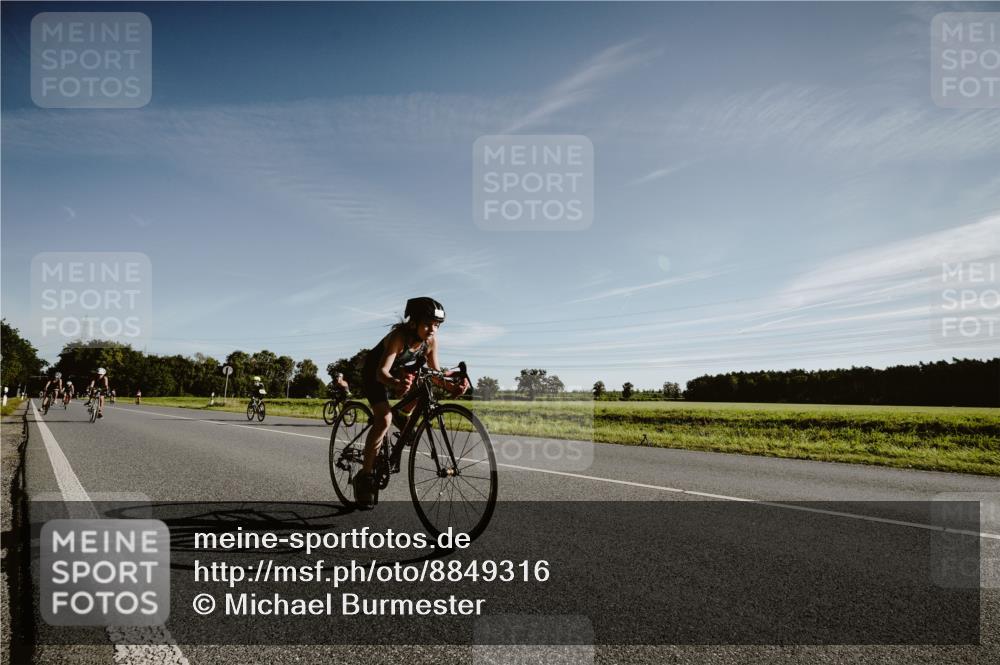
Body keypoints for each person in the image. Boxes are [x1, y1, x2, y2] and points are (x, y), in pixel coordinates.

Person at [353, 297, 469, 507]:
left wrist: (453, 386)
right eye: (428, 324)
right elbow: (382, 373)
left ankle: (403, 413)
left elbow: (434, 374)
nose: (432, 329)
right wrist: (396, 384)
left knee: (422, 379)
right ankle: (365, 476)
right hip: (377, 372)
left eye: (437, 325)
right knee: (383, 420)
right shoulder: (399, 337)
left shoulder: (430, 341)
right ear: (413, 322)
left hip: (399, 372)